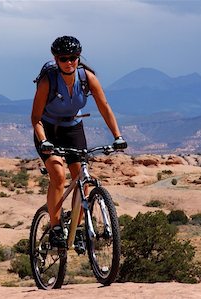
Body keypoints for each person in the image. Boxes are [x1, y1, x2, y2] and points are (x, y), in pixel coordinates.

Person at [31, 35, 127, 248]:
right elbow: (35, 118)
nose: (69, 62)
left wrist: (117, 136)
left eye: (73, 57)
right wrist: (44, 141)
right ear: (56, 59)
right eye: (64, 58)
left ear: (78, 57)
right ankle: (56, 228)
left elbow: (104, 107)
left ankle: (78, 226)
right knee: (57, 174)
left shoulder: (87, 77)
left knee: (82, 177)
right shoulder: (49, 81)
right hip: (47, 129)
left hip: (73, 128)